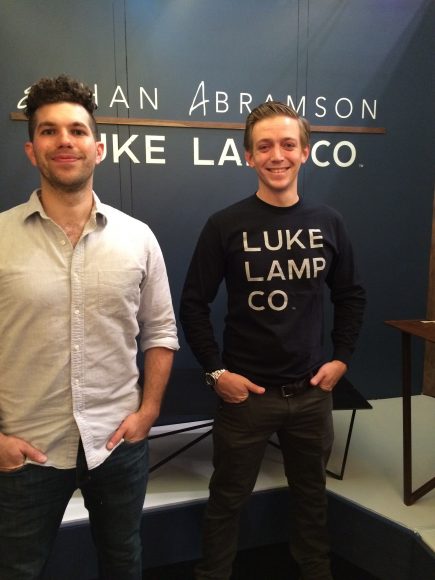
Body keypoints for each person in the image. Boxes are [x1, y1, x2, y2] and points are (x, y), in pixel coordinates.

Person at [0, 75, 179, 580]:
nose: (65, 142)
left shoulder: (138, 239)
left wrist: (149, 412)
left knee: (124, 562)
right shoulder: (1, 238)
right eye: (50, 131)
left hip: (117, 445)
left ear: (98, 148)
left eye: (77, 131)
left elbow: (161, 331)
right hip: (25, 450)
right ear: (31, 149)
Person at [180, 101, 366, 580]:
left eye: (288, 144)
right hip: (246, 398)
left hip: (310, 396)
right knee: (226, 501)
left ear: (305, 152)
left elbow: (351, 295)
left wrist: (341, 359)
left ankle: (315, 571)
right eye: (265, 146)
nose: (276, 155)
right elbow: (193, 304)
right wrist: (217, 373)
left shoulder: (330, 221)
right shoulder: (225, 225)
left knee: (311, 498)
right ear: (249, 156)